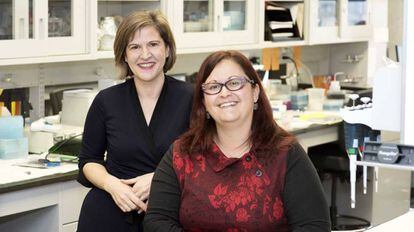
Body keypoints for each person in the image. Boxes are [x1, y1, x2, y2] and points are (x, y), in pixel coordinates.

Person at [143, 50, 330, 231]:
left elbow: (314, 226)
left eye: (234, 83)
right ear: (203, 102)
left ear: (255, 92)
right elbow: (156, 222)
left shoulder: (285, 153)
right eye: (214, 87)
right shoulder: (182, 153)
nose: (224, 93)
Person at [77, 10, 193, 231]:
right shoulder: (106, 101)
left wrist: (161, 178)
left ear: (167, 49)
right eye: (135, 47)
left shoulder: (192, 98)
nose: (145, 55)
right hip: (109, 212)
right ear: (124, 55)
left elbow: (208, 159)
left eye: (153, 44)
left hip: (169, 214)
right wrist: (112, 185)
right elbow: (88, 161)